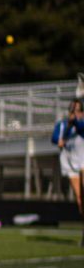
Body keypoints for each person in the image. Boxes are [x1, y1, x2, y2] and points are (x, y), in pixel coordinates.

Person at [52, 98, 84, 242]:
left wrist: (74, 122)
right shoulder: (62, 125)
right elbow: (55, 138)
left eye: (78, 110)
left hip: (83, 161)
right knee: (79, 199)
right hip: (69, 163)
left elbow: (80, 127)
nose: (75, 113)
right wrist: (61, 140)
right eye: (73, 110)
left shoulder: (81, 124)